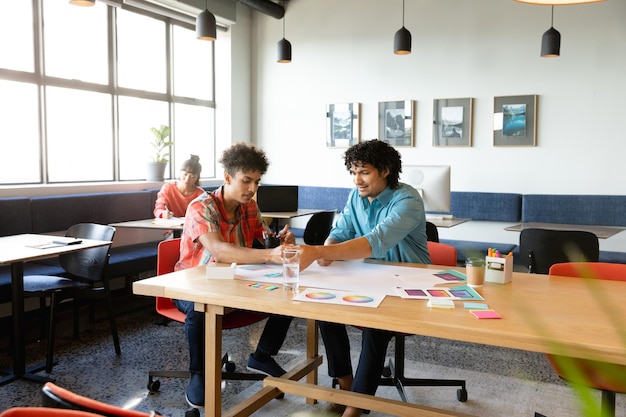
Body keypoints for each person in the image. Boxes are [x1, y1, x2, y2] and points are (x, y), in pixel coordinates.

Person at [297, 139, 431, 417]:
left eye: (364, 172)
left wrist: (320, 249)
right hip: (369, 279)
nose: (357, 180)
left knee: (376, 327)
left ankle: (355, 409)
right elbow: (343, 229)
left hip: (409, 286)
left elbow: (375, 242)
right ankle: (346, 384)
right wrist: (328, 248)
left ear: (385, 170)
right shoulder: (356, 196)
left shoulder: (407, 200)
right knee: (322, 308)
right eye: (353, 172)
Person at [173, 143, 295, 409]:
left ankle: (262, 355)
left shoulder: (249, 207)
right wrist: (270, 255)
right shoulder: (201, 207)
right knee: (199, 307)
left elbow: (263, 240)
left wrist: (280, 240)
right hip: (191, 284)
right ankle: (199, 373)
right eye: (246, 180)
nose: (252, 188)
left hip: (233, 282)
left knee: (290, 291)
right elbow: (219, 250)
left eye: (257, 182)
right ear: (227, 178)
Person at [153, 154, 204, 219]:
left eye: (192, 177)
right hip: (170, 227)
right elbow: (159, 207)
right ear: (180, 173)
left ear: (197, 178)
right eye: (185, 174)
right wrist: (163, 214)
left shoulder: (201, 194)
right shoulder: (168, 188)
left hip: (192, 228)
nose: (187, 179)